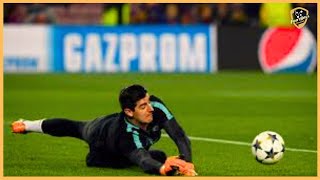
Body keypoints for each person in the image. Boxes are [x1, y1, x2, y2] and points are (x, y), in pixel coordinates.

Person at [11, 84, 197, 176]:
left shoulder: (155, 106)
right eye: (143, 106)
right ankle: (27, 125)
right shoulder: (124, 135)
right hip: (101, 136)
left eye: (148, 102)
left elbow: (179, 135)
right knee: (76, 128)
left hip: (119, 129)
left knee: (158, 154)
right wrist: (162, 168)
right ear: (129, 111)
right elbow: (142, 159)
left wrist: (187, 163)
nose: (150, 109)